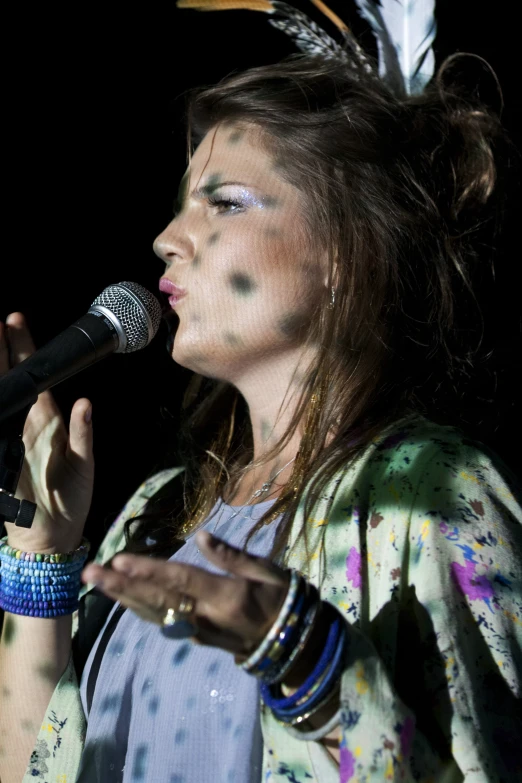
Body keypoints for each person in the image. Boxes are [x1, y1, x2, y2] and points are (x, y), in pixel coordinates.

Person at [1, 2, 521, 782]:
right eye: (181, 204)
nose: (167, 239)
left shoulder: (434, 495)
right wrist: (39, 559)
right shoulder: (154, 515)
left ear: (345, 247)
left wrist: (309, 665)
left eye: (226, 202)